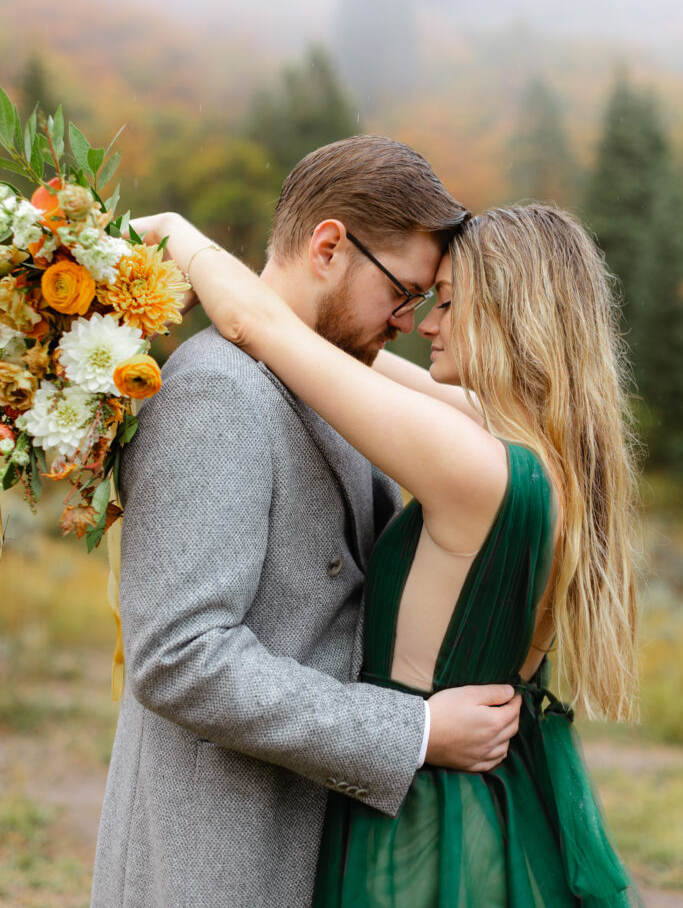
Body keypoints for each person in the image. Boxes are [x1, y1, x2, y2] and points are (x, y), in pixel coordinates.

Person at [143, 200, 642, 906]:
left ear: (509, 315)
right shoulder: (547, 446)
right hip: (498, 798)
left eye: (446, 303)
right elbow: (353, 357)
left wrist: (172, 234)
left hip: (422, 819)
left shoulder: (470, 462)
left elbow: (259, 328)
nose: (425, 324)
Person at [91, 136, 523, 908]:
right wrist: (412, 733)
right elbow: (179, 657)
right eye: (402, 292)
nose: (407, 321)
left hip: (317, 834)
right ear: (328, 245)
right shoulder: (215, 394)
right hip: (225, 855)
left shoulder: (325, 378)